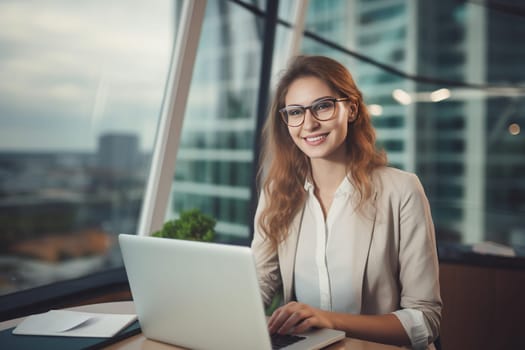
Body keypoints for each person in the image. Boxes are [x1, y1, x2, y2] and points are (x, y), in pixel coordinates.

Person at [251, 55, 442, 350]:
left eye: (323, 106)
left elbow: (425, 320)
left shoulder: (402, 190)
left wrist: (328, 320)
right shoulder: (277, 192)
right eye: (295, 112)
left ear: (351, 109)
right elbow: (259, 285)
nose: (310, 124)